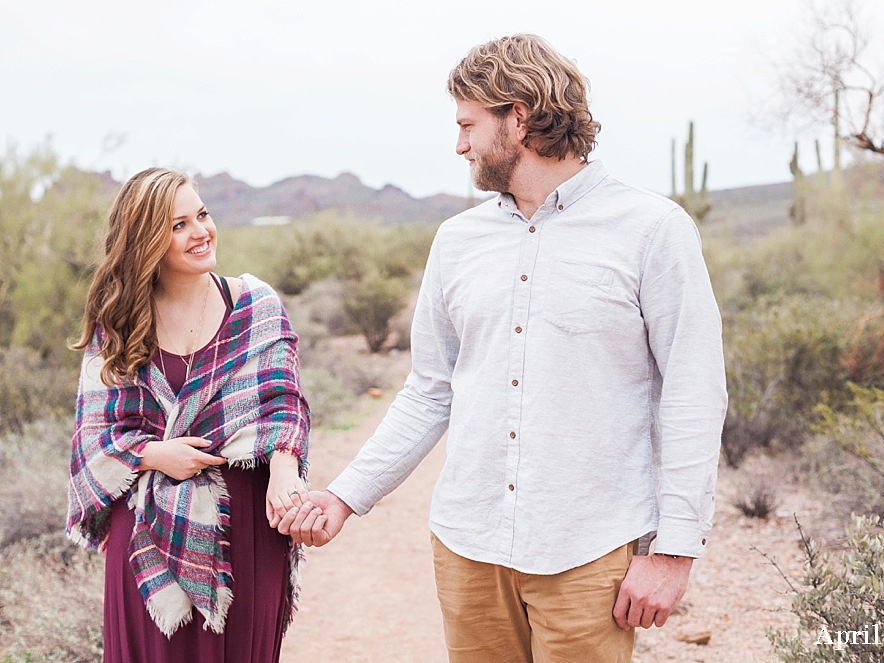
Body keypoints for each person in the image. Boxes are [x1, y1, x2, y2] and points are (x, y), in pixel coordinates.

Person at [279, 33, 727, 662]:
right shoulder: (457, 241)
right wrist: (345, 495)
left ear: (518, 117)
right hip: (468, 548)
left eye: (468, 124)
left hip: (588, 550)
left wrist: (675, 551)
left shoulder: (652, 230)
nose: (458, 144)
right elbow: (430, 390)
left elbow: (694, 390)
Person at [66, 168, 310, 663]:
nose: (201, 232)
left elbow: (285, 406)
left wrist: (286, 472)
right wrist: (157, 454)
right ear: (145, 240)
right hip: (146, 534)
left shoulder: (254, 306)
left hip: (243, 526)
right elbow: (94, 438)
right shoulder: (116, 324)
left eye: (201, 215)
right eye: (178, 225)